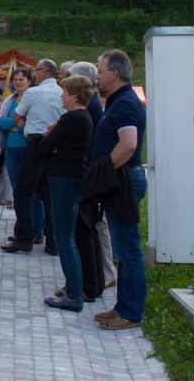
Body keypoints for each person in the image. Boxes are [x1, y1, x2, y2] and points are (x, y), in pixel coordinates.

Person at [91, 49, 147, 331]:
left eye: (100, 71)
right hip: (121, 179)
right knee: (122, 248)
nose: (97, 77)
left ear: (114, 74)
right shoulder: (119, 100)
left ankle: (131, 312)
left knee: (127, 248)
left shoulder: (124, 103)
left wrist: (104, 170)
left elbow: (128, 144)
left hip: (124, 181)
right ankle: (122, 306)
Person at [38, 76, 95, 311]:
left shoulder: (72, 118)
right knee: (68, 237)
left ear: (74, 95)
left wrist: (52, 136)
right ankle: (74, 287)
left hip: (64, 177)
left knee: (64, 238)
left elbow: (45, 146)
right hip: (73, 175)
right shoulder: (84, 117)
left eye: (64, 92)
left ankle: (73, 295)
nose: (61, 96)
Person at [2, 59, 63, 254]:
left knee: (22, 191)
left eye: (36, 70)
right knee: (50, 194)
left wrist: (23, 120)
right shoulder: (62, 92)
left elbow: (15, 117)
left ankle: (24, 237)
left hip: (35, 144)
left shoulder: (32, 93)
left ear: (43, 72)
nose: (34, 74)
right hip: (56, 145)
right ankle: (52, 241)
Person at [67, 60, 111, 294]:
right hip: (91, 171)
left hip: (88, 172)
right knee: (92, 229)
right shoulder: (92, 106)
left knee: (91, 229)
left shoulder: (88, 110)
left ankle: (99, 278)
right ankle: (96, 279)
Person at [0, 68, 42, 244]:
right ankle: (23, 228)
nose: (17, 82)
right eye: (15, 79)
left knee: (32, 191)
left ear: (29, 81)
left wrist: (14, 125)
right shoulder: (10, 100)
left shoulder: (34, 99)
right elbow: (1, 122)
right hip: (11, 148)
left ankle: (37, 230)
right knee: (18, 191)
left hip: (27, 148)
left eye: (21, 79)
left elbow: (32, 125)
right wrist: (14, 123)